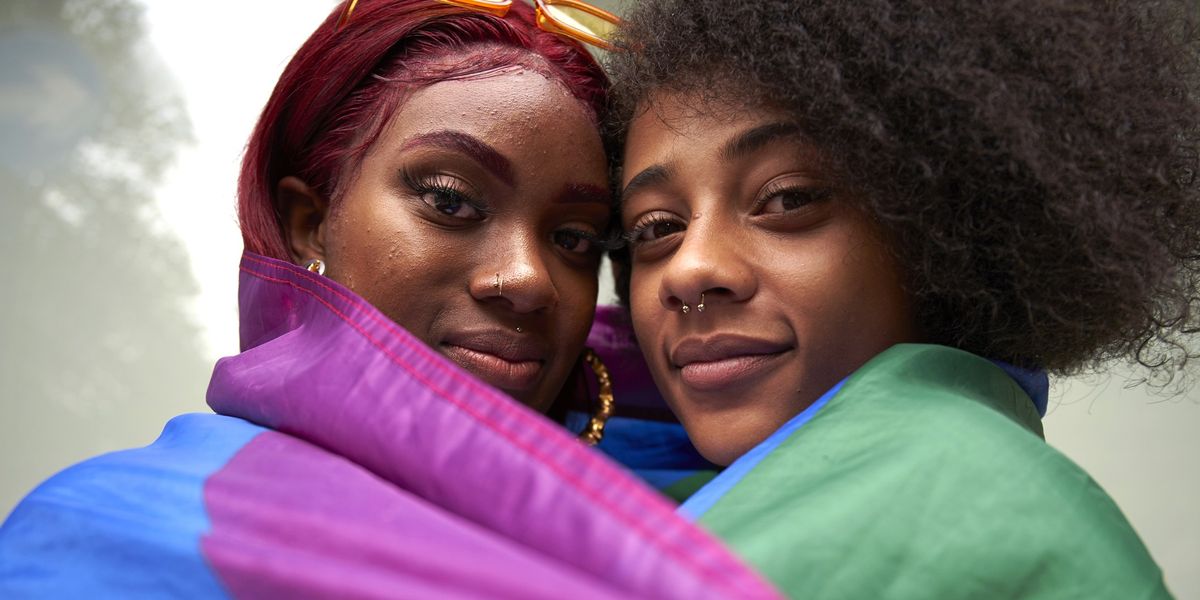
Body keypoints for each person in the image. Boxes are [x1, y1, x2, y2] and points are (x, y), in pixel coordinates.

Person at [0, 1, 777, 598]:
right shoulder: (113, 532)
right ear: (310, 224)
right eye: (449, 199)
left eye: (575, 238)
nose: (530, 278)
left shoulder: (739, 446)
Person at [607, 0, 1199, 597]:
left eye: (788, 198)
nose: (691, 268)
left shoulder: (998, 525)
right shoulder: (640, 500)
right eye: (656, 228)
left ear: (944, 228)